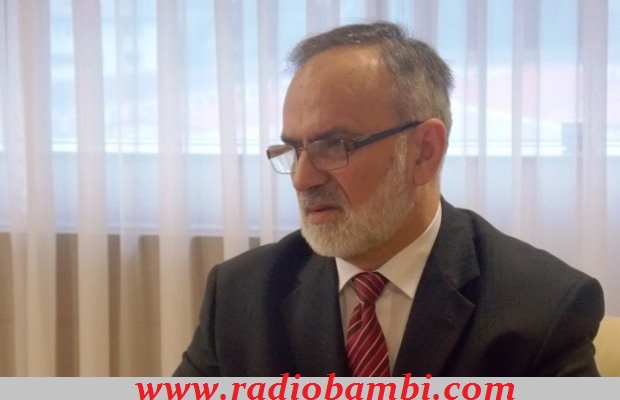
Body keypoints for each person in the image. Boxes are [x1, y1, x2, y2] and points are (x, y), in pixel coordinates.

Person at [174, 21, 604, 377]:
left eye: (333, 145)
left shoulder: (542, 307)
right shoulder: (240, 295)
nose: (302, 179)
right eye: (293, 149)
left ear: (424, 152)